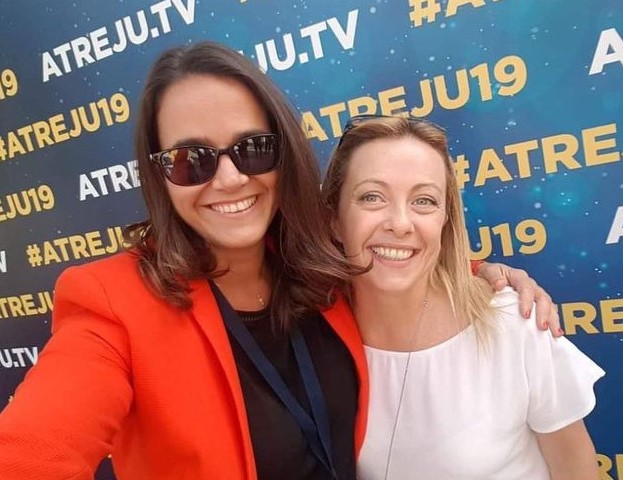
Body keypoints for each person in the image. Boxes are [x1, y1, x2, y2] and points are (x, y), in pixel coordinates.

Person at [0, 42, 559, 480]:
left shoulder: (316, 263)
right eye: (191, 159)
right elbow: (30, 453)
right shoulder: (112, 302)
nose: (229, 179)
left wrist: (485, 274)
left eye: (252, 149)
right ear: (159, 174)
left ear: (283, 150)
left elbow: (397, 255)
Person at [322, 115, 605, 480]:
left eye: (424, 200)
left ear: (445, 219)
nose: (401, 223)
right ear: (334, 218)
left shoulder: (513, 321)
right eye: (372, 197)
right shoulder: (314, 340)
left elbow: (575, 467)